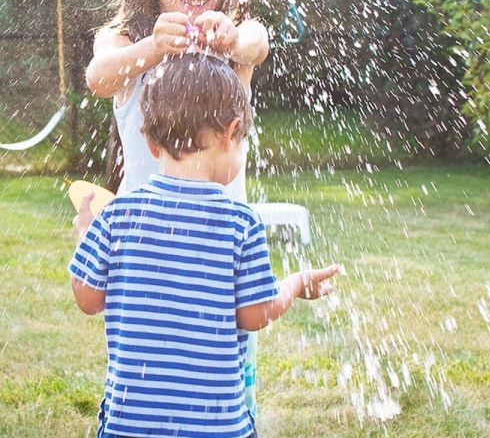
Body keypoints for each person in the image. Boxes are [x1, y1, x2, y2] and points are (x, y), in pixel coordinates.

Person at [69, 54, 340, 438]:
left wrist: (86, 234)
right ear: (231, 133)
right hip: (215, 427)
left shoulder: (117, 216)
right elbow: (254, 315)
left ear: (149, 142)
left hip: (129, 426)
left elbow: (87, 298)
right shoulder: (240, 223)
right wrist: (295, 284)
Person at [82, 0, 270, 414]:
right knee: (147, 376)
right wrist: (150, 48)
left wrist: (232, 40)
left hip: (222, 250)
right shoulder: (124, 40)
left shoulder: (234, 39)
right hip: (147, 254)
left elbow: (258, 41)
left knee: (226, 378)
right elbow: (98, 76)